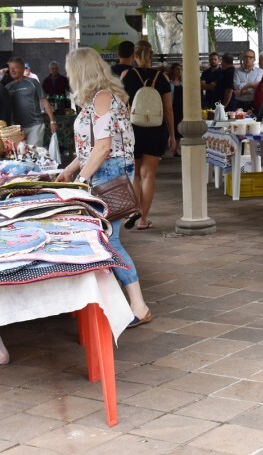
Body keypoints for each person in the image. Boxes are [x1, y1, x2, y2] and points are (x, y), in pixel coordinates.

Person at [57, 47, 152, 326]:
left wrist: (81, 180)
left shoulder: (101, 99)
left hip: (108, 174)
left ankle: (138, 306)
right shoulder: (99, 99)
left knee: (110, 241)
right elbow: (90, 148)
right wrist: (70, 170)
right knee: (107, 240)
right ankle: (124, 303)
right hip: (106, 171)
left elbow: (102, 148)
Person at [118, 42, 176, 230]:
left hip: (133, 130)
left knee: (134, 174)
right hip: (156, 130)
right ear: (152, 56)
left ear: (134, 56)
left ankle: (134, 210)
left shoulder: (127, 76)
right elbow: (168, 109)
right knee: (148, 175)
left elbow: (120, 107)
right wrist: (172, 135)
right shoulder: (162, 77)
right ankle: (143, 220)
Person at [6, 56, 57, 146]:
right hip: (17, 129)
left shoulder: (33, 82)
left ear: (22, 69)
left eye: (15, 67)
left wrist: (52, 121)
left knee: (34, 154)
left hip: (35, 126)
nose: (12, 70)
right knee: (20, 156)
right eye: (10, 68)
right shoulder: (8, 87)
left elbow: (44, 101)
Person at [167, 62, 183, 156]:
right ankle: (172, 146)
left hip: (180, 108)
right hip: (172, 106)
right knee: (173, 127)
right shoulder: (169, 83)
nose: (179, 71)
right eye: (177, 69)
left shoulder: (182, 83)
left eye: (180, 69)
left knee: (179, 128)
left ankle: (177, 148)